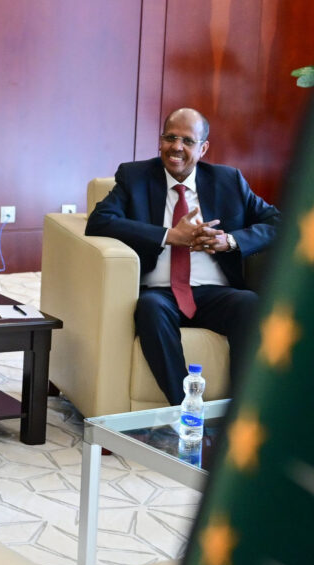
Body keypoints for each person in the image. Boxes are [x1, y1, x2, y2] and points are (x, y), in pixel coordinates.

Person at [85, 108, 280, 404]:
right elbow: (99, 221)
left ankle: (244, 411)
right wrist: (168, 236)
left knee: (251, 305)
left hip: (215, 292)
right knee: (150, 308)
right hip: (160, 292)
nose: (176, 147)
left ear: (203, 149)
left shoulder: (229, 181)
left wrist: (230, 241)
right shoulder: (134, 177)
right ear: (160, 142)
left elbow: (280, 223)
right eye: (170, 138)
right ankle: (186, 411)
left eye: (187, 141)